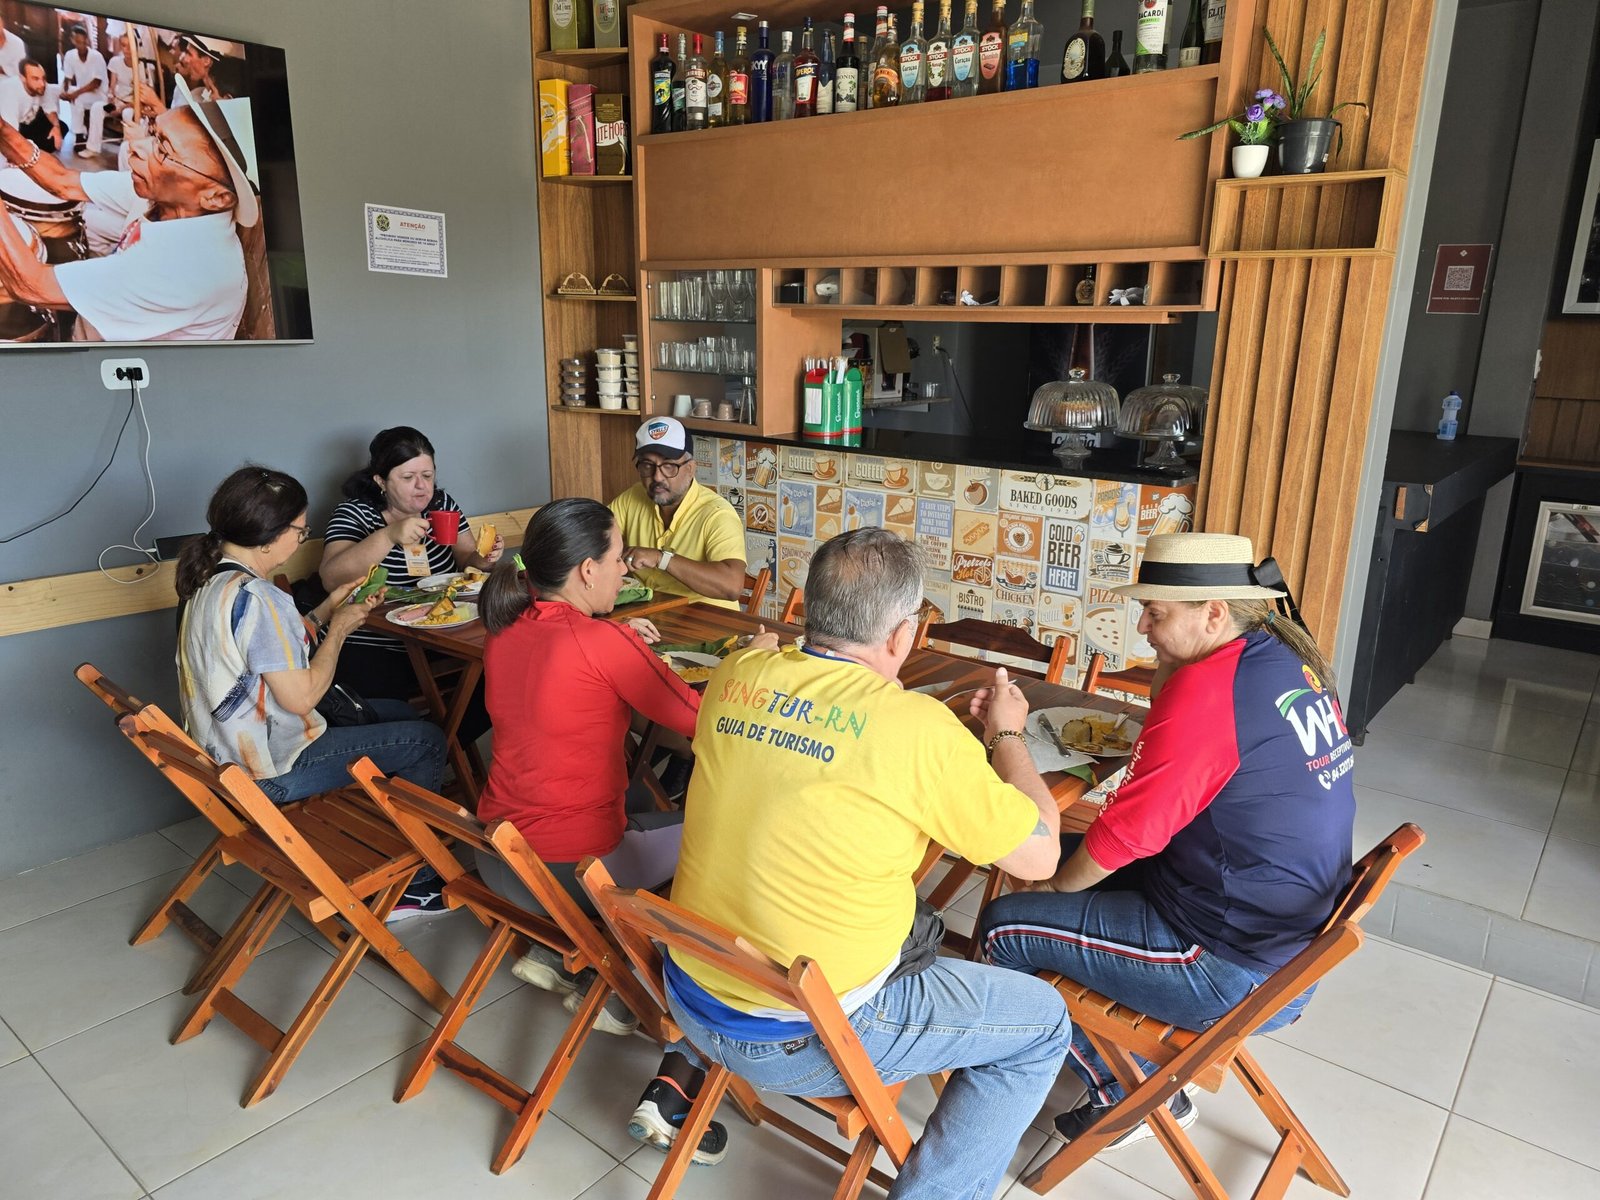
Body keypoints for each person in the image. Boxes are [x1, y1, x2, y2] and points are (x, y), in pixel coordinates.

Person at [626, 528, 1073, 1197]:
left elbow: (772, 677)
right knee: (1042, 1025)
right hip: (800, 1038)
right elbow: (1040, 854)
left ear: (812, 607)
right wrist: (1007, 733)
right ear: (903, 633)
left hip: (690, 995)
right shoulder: (917, 729)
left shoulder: (737, 676)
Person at [978, 532, 1357, 1149]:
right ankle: (1112, 1052)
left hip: (1227, 963)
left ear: (1214, 613)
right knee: (1046, 865)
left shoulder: (1208, 691)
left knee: (1004, 925)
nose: (1142, 627)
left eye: (1155, 614)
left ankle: (1123, 1090)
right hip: (1277, 937)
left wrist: (1050, 889)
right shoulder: (1281, 656)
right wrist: (1173, 658)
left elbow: (1124, 837)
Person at [475, 498, 725, 1036]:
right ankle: (622, 986)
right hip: (571, 871)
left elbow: (567, 653)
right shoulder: (602, 641)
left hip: (500, 859)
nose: (624, 570)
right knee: (727, 832)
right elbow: (701, 719)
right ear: (587, 570)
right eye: (617, 559)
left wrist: (617, 637)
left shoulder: (504, 625)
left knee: (638, 800)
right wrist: (752, 659)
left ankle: (559, 950)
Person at [0, 97, 255, 340]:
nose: (137, 146)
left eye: (163, 149)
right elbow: (64, 182)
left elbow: (31, 285)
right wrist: (3, 131)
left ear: (216, 197)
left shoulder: (184, 270)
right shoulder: (171, 196)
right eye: (154, 134)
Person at [320, 427, 502, 736]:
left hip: (440, 634)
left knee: (500, 680)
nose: (422, 487)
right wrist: (389, 536)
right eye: (408, 477)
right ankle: (421, 749)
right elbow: (330, 577)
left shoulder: (442, 505)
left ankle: (437, 748)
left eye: (428, 476)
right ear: (381, 480)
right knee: (386, 717)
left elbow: (467, 559)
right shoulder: (356, 513)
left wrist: (484, 559)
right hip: (373, 641)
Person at [609, 417, 747, 610]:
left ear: (690, 469)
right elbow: (592, 539)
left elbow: (732, 586)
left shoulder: (717, 514)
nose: (657, 476)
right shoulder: (633, 497)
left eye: (669, 466)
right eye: (647, 465)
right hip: (647, 616)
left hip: (706, 623)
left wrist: (661, 558)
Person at [59, 25, 107, 159]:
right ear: (72, 40)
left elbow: (96, 83)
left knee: (77, 97)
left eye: (84, 42)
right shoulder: (70, 55)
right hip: (84, 93)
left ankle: (79, 136)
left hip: (99, 95)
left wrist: (75, 94)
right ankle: (79, 133)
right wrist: (64, 92)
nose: (81, 45)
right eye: (78, 42)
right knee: (72, 95)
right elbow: (67, 78)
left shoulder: (96, 56)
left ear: (87, 40)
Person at [0, 60, 62, 154]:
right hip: (7, 128)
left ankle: (35, 150)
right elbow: (10, 131)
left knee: (60, 129)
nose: (42, 84)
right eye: (35, 79)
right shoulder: (10, 92)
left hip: (25, 123)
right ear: (23, 78)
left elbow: (50, 109)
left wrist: (56, 127)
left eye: (43, 78)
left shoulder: (43, 86)